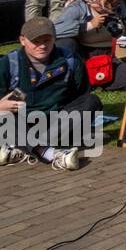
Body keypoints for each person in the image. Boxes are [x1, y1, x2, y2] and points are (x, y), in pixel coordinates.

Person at [0, 17, 100, 170]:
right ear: (22, 40)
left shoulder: (70, 59)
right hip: (22, 121)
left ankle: (23, 147)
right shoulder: (8, 63)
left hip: (57, 123)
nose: (42, 46)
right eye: (36, 41)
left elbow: (81, 95)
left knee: (91, 101)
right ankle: (49, 152)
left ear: (54, 39)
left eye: (46, 40)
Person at [53, 0, 126, 66]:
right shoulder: (79, 7)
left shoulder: (115, 5)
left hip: (118, 50)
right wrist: (89, 25)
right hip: (92, 56)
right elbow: (55, 30)